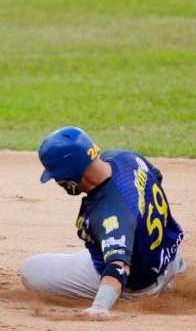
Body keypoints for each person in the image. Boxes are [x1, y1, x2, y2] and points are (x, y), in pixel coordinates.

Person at [21, 126, 186, 316]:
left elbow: (119, 266)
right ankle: (172, 274)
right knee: (120, 239)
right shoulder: (126, 158)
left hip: (138, 283)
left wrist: (99, 307)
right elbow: (156, 177)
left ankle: (139, 294)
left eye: (57, 176)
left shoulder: (111, 214)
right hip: (170, 257)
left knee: (31, 270)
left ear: (70, 174)